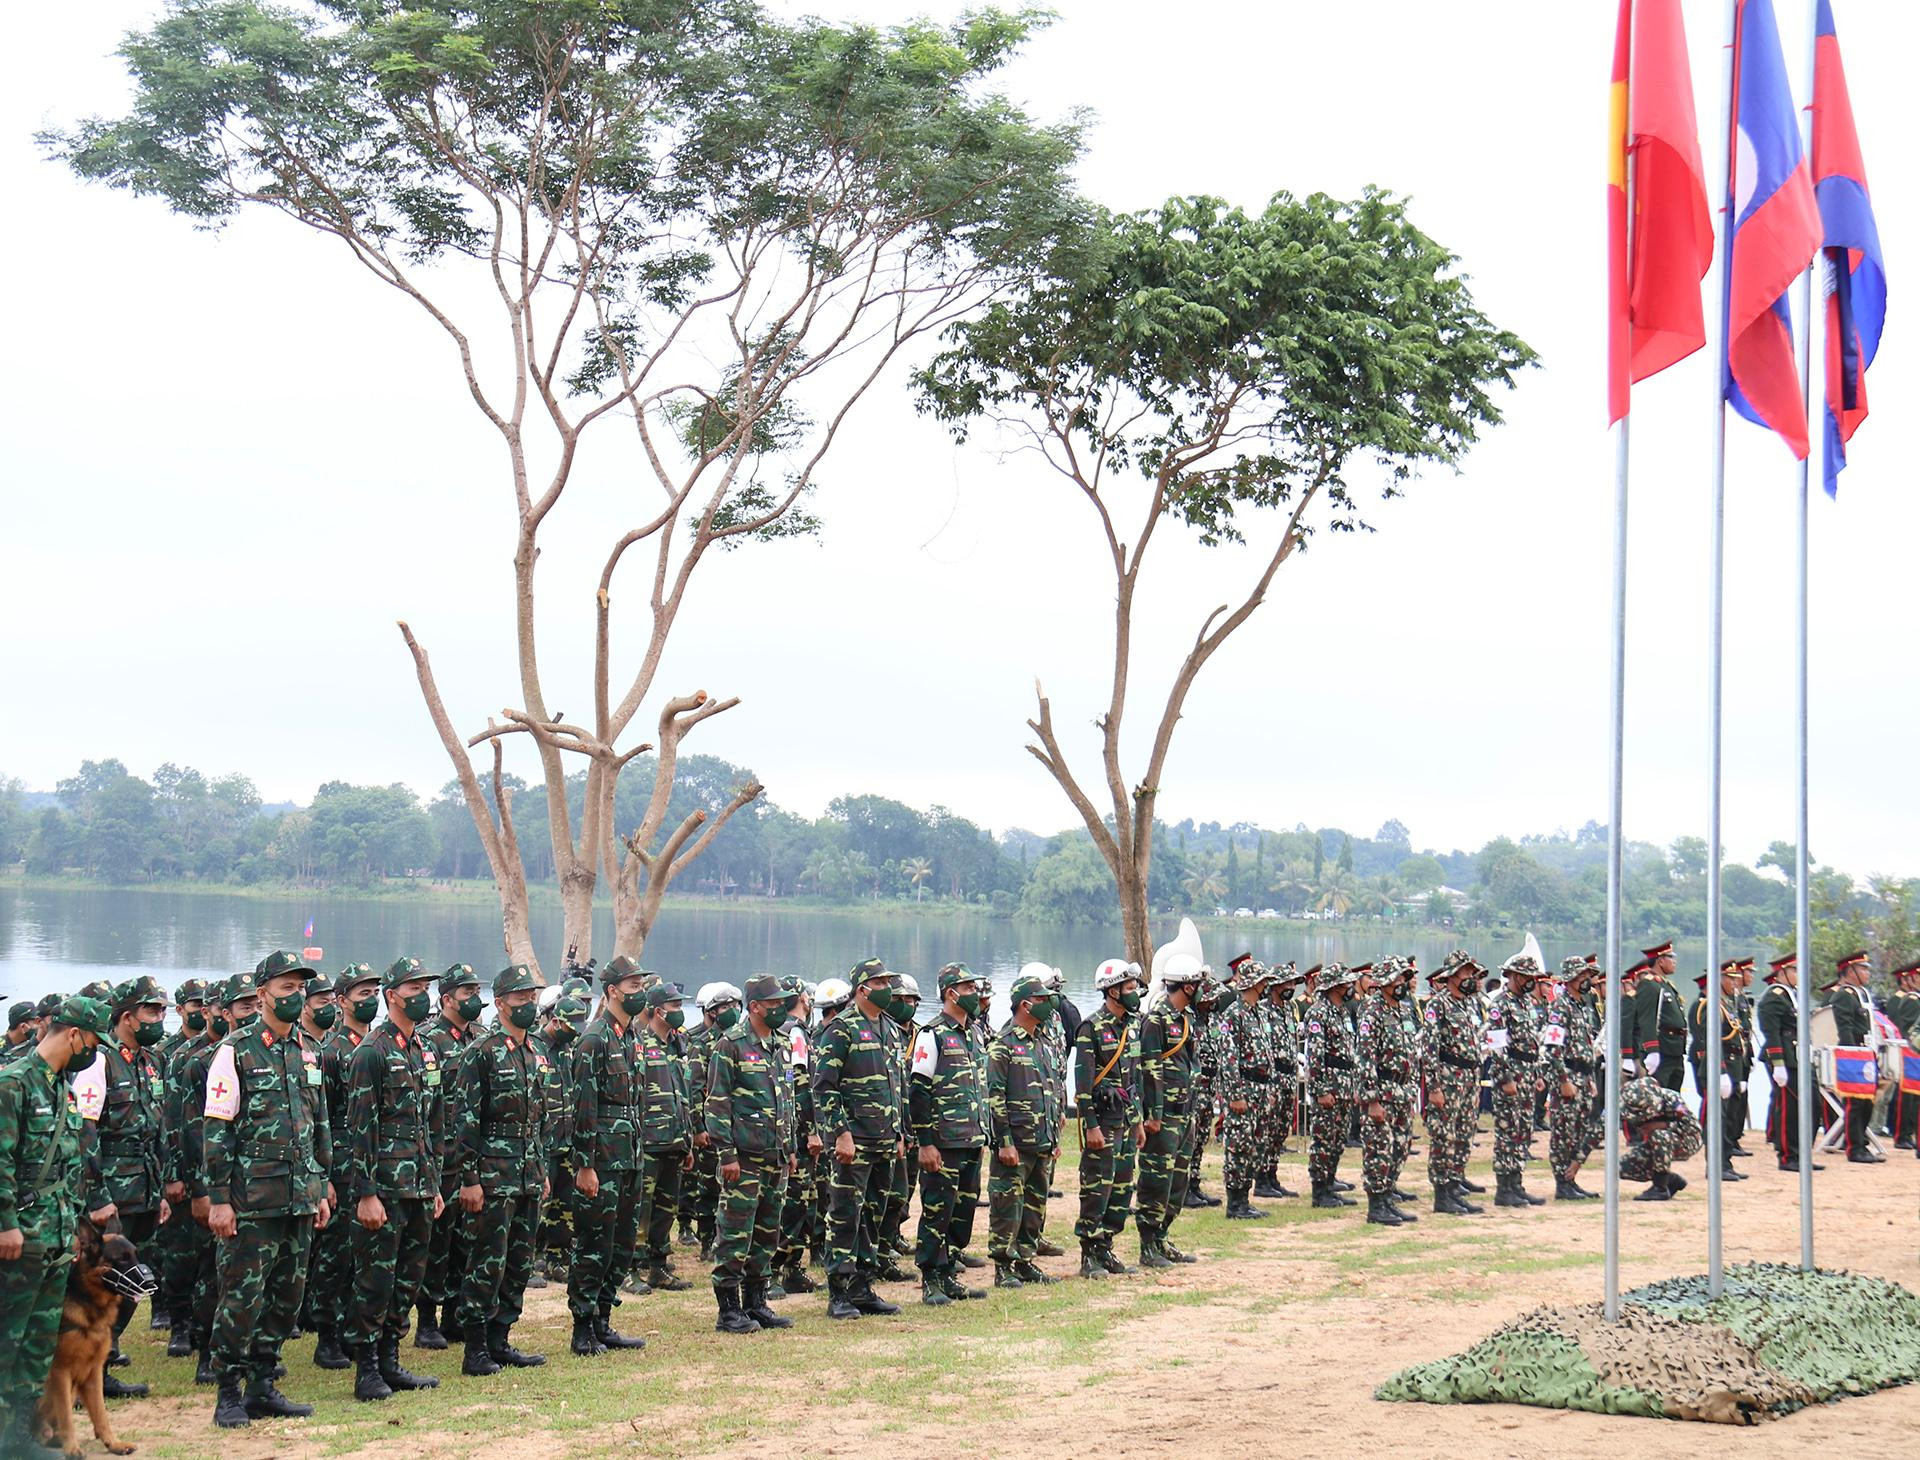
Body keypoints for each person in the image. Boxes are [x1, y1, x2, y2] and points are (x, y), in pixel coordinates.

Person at [202, 950, 332, 1428]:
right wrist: (219, 1200)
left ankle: (262, 1385)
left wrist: (320, 1185)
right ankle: (228, 1392)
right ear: (261, 995)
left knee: (287, 1297)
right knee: (241, 1298)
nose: (295, 996)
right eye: (285, 988)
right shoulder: (233, 1050)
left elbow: (318, 1125)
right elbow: (216, 1130)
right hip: (252, 1201)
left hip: (299, 1197)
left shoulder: (308, 1049)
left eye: (300, 988)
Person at [0, 995, 113, 1455]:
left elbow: (66, 1165)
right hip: (18, 1238)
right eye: (92, 1042)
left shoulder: (58, 1085)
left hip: (53, 1238)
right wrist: (5, 1222)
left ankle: (23, 1434)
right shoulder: (14, 1084)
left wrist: (71, 1228)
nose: (94, 1052)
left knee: (38, 1343)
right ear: (72, 1035)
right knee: (8, 1338)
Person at [343, 956, 446, 1401]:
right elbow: (360, 1128)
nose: (422, 996)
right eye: (413, 989)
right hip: (385, 1188)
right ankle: (366, 1369)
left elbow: (433, 1121)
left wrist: (437, 1184)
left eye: (425, 988)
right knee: (375, 1280)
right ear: (392, 997)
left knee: (408, 1279)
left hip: (420, 1186)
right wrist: (366, 1192)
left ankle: (391, 1360)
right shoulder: (372, 1051)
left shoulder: (424, 1049)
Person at [450, 964, 551, 1378]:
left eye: (532, 997)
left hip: (527, 1172)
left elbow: (539, 1119)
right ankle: (475, 1349)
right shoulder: (481, 1053)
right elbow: (465, 1120)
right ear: (500, 1003)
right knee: (486, 1261)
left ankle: (501, 1339)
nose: (528, 1003)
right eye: (520, 997)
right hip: (492, 1176)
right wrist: (470, 1179)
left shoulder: (536, 1051)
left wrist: (541, 1169)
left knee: (519, 1261)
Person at [85, 974, 172, 1398]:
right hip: (111, 1196)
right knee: (100, 1284)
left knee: (131, 1284)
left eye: (162, 1009)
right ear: (126, 1017)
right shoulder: (98, 1061)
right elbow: (85, 1136)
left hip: (144, 1191)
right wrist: (98, 1200)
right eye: (151, 1010)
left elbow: (157, 1131)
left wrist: (160, 1192)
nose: (159, 1017)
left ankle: (103, 1363)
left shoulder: (149, 1061)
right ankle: (88, 1374)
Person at [812, 959, 907, 1319]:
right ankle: (838, 1292)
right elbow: (823, 1088)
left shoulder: (891, 1029)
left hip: (885, 1140)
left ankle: (863, 1287)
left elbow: (897, 1088)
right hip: (854, 1143)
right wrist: (840, 1134)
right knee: (845, 1215)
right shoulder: (841, 1029)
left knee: (874, 1214)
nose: (889, 988)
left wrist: (901, 1132)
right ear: (863, 988)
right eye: (882, 982)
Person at [566, 955, 651, 1355]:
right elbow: (583, 1107)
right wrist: (585, 1164)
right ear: (613, 991)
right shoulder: (594, 1040)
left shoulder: (631, 1038)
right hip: (602, 1161)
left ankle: (603, 1321)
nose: (640, 993)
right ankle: (582, 1328)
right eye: (633, 987)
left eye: (642, 986)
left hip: (630, 1156)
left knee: (621, 1245)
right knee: (594, 1244)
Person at [705, 975, 798, 1334]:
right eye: (773, 1004)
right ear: (755, 1006)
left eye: (782, 1003)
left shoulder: (782, 1044)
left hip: (775, 1157)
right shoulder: (731, 1045)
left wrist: (789, 1147)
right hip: (742, 1158)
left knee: (767, 1232)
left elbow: (786, 1099)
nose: (780, 1009)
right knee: (734, 1232)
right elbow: (717, 1103)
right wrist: (726, 1154)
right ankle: (728, 1309)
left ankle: (757, 1303)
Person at [309, 963, 378, 1373]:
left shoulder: (375, 1045)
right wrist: (326, 1174)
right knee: (334, 1256)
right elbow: (323, 1117)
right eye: (361, 993)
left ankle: (354, 1329)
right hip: (341, 1167)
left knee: (362, 1256)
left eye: (374, 993)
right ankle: (326, 1335)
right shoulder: (331, 1052)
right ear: (341, 1001)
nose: (369, 1000)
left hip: (369, 1165)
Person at [908, 963, 989, 1306]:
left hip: (971, 1138)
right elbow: (919, 1091)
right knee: (937, 1209)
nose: (975, 994)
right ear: (951, 993)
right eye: (968, 989)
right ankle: (931, 1277)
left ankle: (949, 1271)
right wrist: (926, 1142)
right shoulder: (932, 1034)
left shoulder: (974, 1033)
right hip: (943, 1141)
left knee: (964, 1209)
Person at [416, 962, 484, 1350]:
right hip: (441, 1157)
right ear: (447, 999)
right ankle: (426, 1320)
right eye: (466, 993)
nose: (474, 999)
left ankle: (455, 1314)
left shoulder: (480, 1038)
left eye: (477, 992)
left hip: (472, 1157)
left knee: (467, 1240)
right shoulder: (429, 1040)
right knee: (435, 1241)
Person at [985, 973, 1063, 1290]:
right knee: (1007, 1205)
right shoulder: (1003, 1046)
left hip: (1042, 1140)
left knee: (1034, 1205)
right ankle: (1004, 1266)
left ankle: (1025, 1259)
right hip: (1015, 1143)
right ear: (1025, 1005)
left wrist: (1055, 1134)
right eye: (1042, 999)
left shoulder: (1044, 1043)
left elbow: (1053, 1090)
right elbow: (994, 1097)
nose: (1048, 1004)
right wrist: (1003, 1141)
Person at [1073, 959, 1144, 1277]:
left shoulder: (1132, 1025)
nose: (1134, 993)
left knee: (1120, 1188)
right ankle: (1089, 1253)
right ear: (1112, 991)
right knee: (1096, 1188)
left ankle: (1106, 1247)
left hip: (1126, 1121)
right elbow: (1083, 1085)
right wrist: (1091, 1125)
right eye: (1129, 988)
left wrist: (1139, 1120)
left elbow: (1134, 1077)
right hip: (1102, 1122)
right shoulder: (1091, 1029)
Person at [1135, 959, 1205, 1263]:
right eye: (1199, 984)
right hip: (1163, 1118)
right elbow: (1150, 1069)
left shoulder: (1186, 1017)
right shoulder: (1156, 1020)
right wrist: (1154, 1115)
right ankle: (1148, 1244)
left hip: (1185, 1112)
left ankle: (1162, 1236)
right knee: (1156, 1178)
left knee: (1178, 1179)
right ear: (1188, 986)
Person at [157, 977, 212, 1354]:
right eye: (193, 1004)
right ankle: (178, 1322)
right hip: (187, 1168)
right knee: (180, 1252)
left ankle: (204, 1325)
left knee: (211, 1257)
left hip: (221, 1172)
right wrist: (175, 1174)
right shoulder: (180, 1056)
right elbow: (173, 1121)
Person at [632, 980, 694, 1296]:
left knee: (665, 1210)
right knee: (639, 1209)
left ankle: (658, 1267)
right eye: (675, 1007)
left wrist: (689, 1139)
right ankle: (631, 1269)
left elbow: (683, 1095)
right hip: (648, 1142)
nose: (680, 1012)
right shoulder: (639, 1044)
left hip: (674, 1141)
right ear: (658, 1011)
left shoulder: (677, 1046)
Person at [676, 983, 740, 1261]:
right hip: (711, 1127)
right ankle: (706, 1241)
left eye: (736, 1006)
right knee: (708, 1186)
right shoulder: (701, 1044)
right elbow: (694, 1088)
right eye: (726, 1007)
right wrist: (699, 1127)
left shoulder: (740, 1040)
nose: (733, 1011)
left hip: (737, 1127)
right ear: (712, 1012)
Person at [1355, 957, 1420, 1226]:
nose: (1402, 983)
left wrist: (1412, 1085)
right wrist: (1371, 1099)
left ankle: (1389, 1197)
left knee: (1400, 1146)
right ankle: (1377, 1205)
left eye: (1404, 978)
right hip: (1382, 1090)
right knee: (1379, 1149)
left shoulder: (1403, 1011)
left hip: (1402, 1090)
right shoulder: (1372, 1011)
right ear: (1383, 983)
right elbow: (1365, 1058)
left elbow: (1410, 1051)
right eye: (1397, 979)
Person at [1421, 953, 1485, 1215]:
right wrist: (1434, 1087)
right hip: (1448, 1080)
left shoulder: (1467, 1005)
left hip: (1469, 1079)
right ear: (1451, 977)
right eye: (1465, 974)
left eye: (1471, 974)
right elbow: (1429, 1048)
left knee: (1463, 1136)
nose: (1470, 978)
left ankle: (1455, 1186)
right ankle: (1442, 1194)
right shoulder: (1439, 1006)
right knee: (1443, 1137)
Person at [772, 980, 823, 1296]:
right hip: (799, 1136)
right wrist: (811, 1132)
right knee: (792, 1204)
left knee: (806, 1204)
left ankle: (793, 1270)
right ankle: (774, 1271)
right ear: (803, 998)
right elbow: (801, 1085)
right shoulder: (796, 1032)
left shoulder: (792, 1030)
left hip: (797, 1132)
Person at [1485, 953, 1546, 1208]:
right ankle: (1504, 1188)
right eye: (1529, 977)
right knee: (1508, 1132)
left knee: (1523, 1131)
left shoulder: (1527, 1003)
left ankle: (1517, 1184)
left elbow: (1533, 1042)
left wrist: (1538, 1074)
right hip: (1509, 1076)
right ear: (1516, 976)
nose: (1533, 982)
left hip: (1528, 1073)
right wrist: (1507, 1077)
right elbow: (1496, 1044)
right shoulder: (1501, 1004)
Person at [1215, 957, 1272, 1219]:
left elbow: (1266, 1054)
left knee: (1254, 1146)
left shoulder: (1258, 1012)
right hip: (1243, 1089)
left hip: (1259, 1089)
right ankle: (1235, 1203)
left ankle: (1245, 1199)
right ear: (1253, 983)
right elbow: (1228, 1058)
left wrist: (1269, 1089)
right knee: (1238, 1146)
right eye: (1262, 981)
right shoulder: (1233, 1014)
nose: (1265, 985)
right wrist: (1235, 1095)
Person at [1756, 954, 1821, 1171]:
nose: (1798, 974)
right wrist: (1778, 1063)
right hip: (1786, 1058)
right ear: (1782, 972)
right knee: (1789, 1109)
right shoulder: (1774, 996)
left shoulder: (1793, 995)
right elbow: (1771, 1032)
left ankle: (1802, 1152)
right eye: (1794, 970)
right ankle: (1788, 1156)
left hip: (1801, 1056)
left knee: (1813, 1105)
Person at [1303, 963, 1360, 1209]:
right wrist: (1321, 1090)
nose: (1350, 987)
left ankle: (1330, 1181)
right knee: (1324, 1140)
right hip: (1329, 1087)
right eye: (1346, 983)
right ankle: (1320, 1190)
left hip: (1345, 1086)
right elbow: (1315, 1057)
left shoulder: (1342, 1012)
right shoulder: (1318, 1013)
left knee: (1338, 1139)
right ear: (1334, 986)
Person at [1541, 957, 1599, 1200]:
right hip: (1568, 1076)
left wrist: (1591, 1078)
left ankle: (1571, 1179)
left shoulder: (1581, 1006)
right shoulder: (1560, 1007)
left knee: (1579, 1130)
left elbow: (1586, 1045)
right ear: (1572, 979)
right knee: (1563, 1132)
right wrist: (1564, 1080)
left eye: (1588, 976)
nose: (1588, 980)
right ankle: (1561, 1183)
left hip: (1583, 1076)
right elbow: (1553, 1049)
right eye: (1583, 976)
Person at [1688, 961, 1748, 1182]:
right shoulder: (1709, 1006)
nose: (1735, 982)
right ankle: (1715, 1165)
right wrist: (1720, 1070)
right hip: (1717, 1068)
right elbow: (1709, 1041)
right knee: (1716, 1119)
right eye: (1731, 978)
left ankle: (1725, 1162)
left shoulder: (1725, 1005)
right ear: (1720, 979)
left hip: (1731, 1066)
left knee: (1727, 1120)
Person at [1825, 949, 1881, 1162]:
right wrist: (1852, 1054)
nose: (1867, 973)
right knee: (1856, 1102)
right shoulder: (1843, 995)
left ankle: (1861, 1144)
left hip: (1867, 1052)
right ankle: (1854, 1147)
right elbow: (1845, 1028)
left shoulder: (1861, 994)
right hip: (1854, 1053)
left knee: (1868, 1102)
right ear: (1849, 971)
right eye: (1862, 969)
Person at [1618, 1074, 1703, 1200]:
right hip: (1655, 1145)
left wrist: (1664, 1125)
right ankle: (1669, 1180)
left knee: (1660, 1135)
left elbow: (1694, 1128)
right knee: (1621, 1167)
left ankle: (1660, 1188)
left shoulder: (1672, 1100)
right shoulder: (1628, 1107)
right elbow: (1600, 1129)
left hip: (1686, 1141)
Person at [1631, 941, 1688, 1091]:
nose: (1674, 961)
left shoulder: (1665, 985)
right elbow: (1647, 1020)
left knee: (1673, 1099)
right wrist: (1652, 1050)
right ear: (1660, 960)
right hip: (1662, 1051)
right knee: (1657, 1099)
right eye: (1671, 957)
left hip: (1674, 1050)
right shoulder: (1649, 985)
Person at [1884, 964, 1920, 1149]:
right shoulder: (1912, 999)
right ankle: (1901, 1134)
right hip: (1910, 1054)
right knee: (1906, 1097)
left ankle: (1908, 1133)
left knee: (1913, 1099)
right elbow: (1906, 1030)